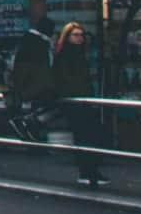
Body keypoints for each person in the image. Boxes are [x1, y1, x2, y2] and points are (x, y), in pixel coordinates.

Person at [52, 22, 110, 186]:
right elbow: (66, 79)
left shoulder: (79, 54)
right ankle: (88, 171)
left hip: (82, 100)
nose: (79, 38)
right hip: (75, 101)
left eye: (81, 35)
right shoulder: (65, 55)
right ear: (68, 37)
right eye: (75, 35)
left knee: (87, 136)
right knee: (85, 136)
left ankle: (90, 171)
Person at [7, 14, 60, 141]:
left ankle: (32, 138)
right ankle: (29, 125)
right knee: (54, 107)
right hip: (36, 87)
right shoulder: (39, 44)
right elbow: (41, 69)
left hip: (28, 86)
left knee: (36, 112)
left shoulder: (28, 41)